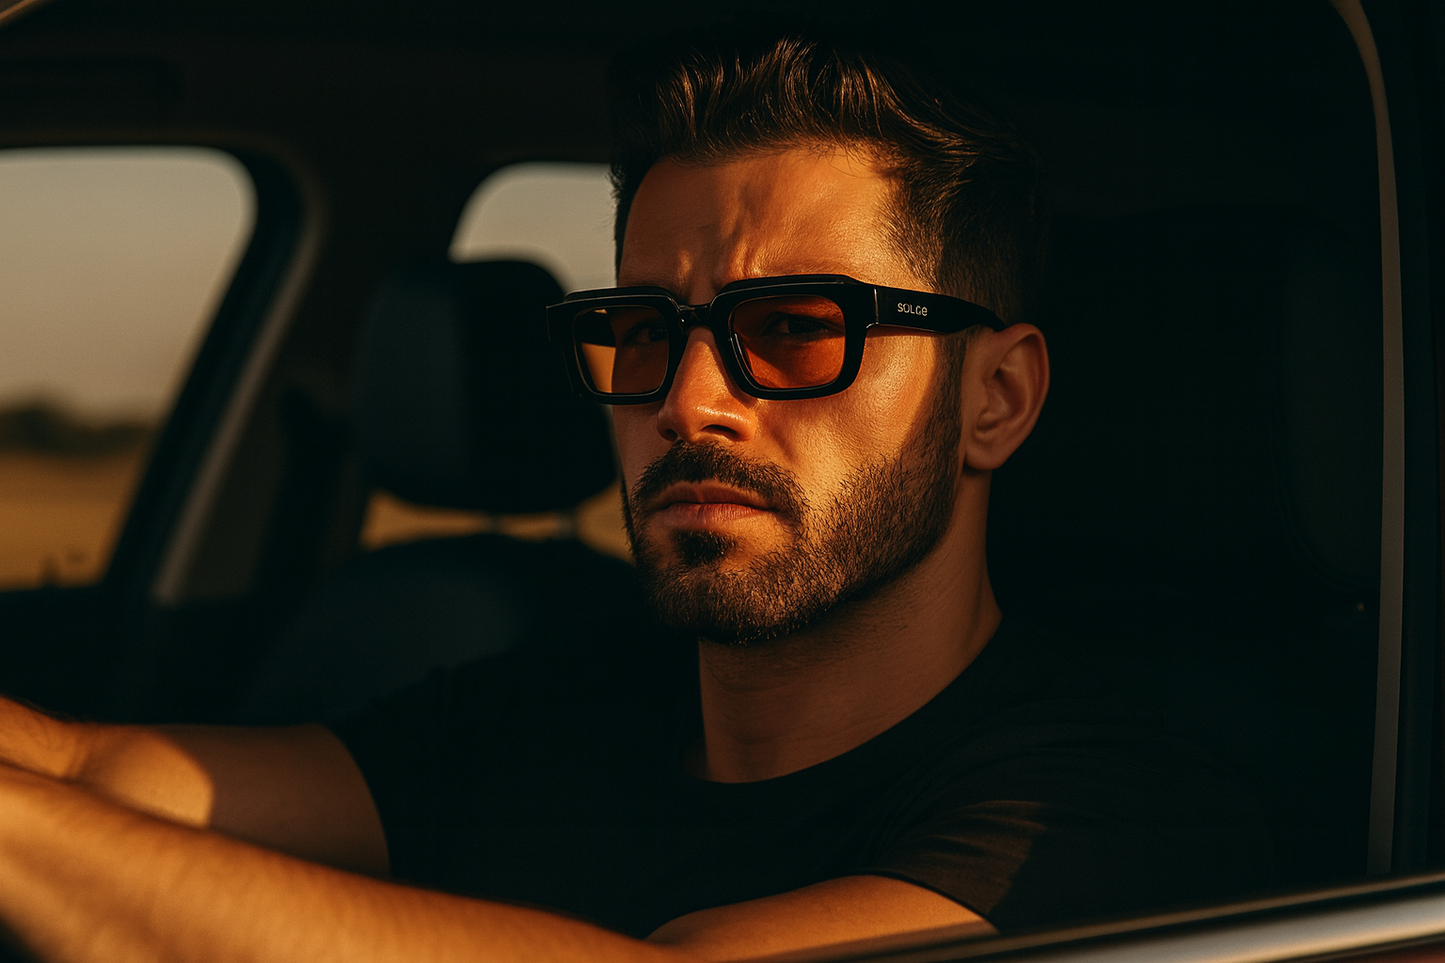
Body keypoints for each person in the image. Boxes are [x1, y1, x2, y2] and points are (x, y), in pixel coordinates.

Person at [0, 24, 1264, 963]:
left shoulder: (1106, 818)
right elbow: (106, 772)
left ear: (994, 400)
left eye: (791, 327)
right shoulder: (564, 694)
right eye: (642, 329)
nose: (685, 401)